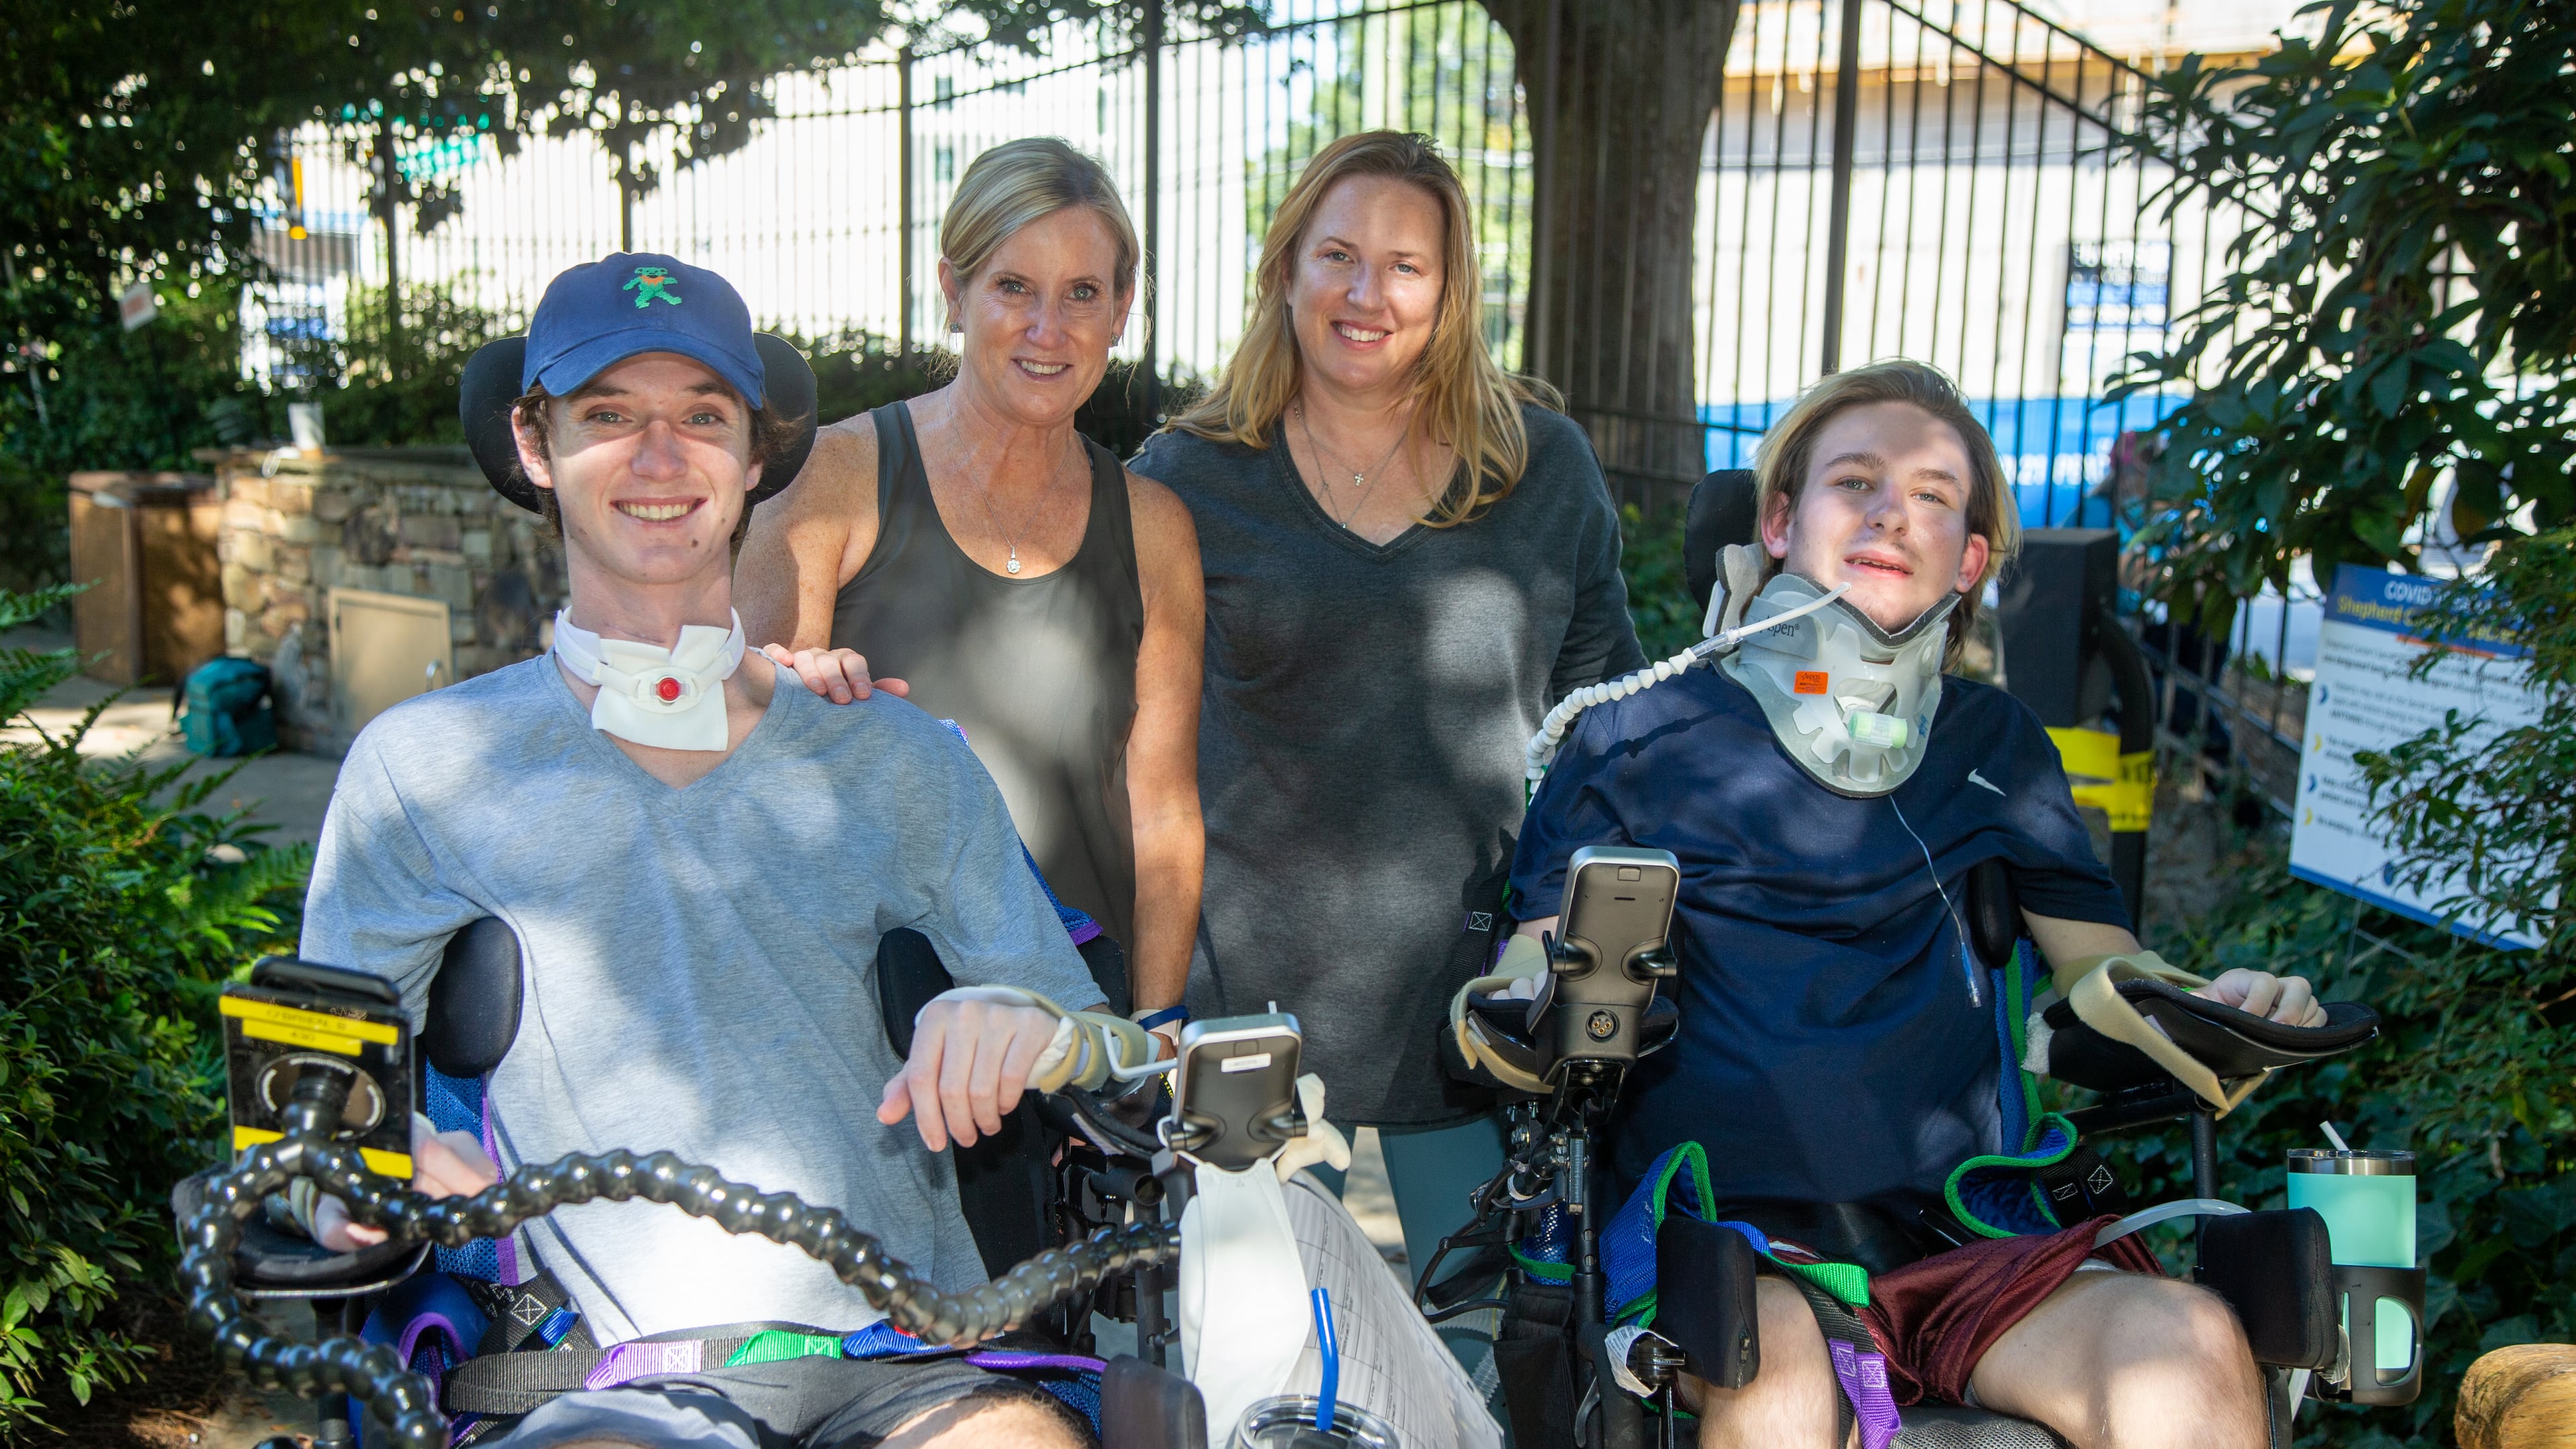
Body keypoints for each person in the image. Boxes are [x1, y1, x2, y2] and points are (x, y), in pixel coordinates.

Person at [299, 253, 1116, 1449]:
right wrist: (363, 1179)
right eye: (608, 416)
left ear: (752, 458)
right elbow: (302, 1117)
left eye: (701, 417)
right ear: (535, 448)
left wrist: (1034, 1028)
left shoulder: (895, 756)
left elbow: (1119, 1057)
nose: (660, 457)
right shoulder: (423, 768)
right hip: (600, 1378)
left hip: (908, 1362)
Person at [1508, 360, 2328, 1449]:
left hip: (1967, 1238)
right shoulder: (1634, 736)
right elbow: (1531, 966)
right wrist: (1513, 995)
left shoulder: (1998, 746)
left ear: (1971, 558)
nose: (1894, 512)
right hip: (1728, 1240)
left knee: (2190, 1347)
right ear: (1783, 519)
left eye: (1935, 496)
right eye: (1857, 482)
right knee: (1779, 1375)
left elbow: (2106, 971)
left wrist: (2217, 1002)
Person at [1128, 131, 1646, 1287]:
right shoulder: (1186, 474)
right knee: (1255, 1346)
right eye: (1339, 256)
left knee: (1483, 1351)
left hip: (1472, 1001)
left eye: (1407, 266)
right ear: (1286, 270)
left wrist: (1554, 934)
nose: (1369, 295)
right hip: (1243, 1007)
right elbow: (1130, 747)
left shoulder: (1540, 466)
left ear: (1453, 291)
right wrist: (1149, 999)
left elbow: (1604, 729)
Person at [739, 138, 1203, 1035]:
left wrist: (1156, 1032)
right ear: (953, 292)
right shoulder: (830, 481)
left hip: (1078, 1033)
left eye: (1082, 294)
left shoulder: (1153, 527)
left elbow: (1164, 811)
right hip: (875, 1026)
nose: (1048, 328)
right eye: (1013, 287)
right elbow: (753, 773)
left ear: (1121, 310)